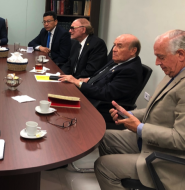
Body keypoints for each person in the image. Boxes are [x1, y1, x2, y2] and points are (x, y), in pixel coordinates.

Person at [95, 30, 185, 190]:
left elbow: (181, 139)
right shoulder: (173, 73)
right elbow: (155, 110)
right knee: (104, 137)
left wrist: (139, 128)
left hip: (168, 157)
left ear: (181, 54)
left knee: (104, 166)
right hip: (152, 143)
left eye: (161, 57)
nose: (157, 62)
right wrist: (127, 114)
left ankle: (123, 171)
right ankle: (127, 173)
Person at [59, 34, 143, 126]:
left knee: (61, 109)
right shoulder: (120, 60)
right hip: (93, 95)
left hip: (102, 107)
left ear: (133, 50)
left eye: (119, 46)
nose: (114, 49)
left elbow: (106, 94)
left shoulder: (130, 70)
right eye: (114, 45)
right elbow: (103, 75)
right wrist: (88, 79)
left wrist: (79, 83)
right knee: (59, 95)